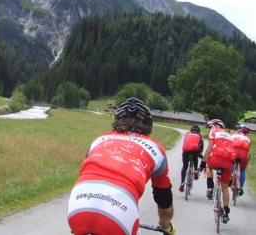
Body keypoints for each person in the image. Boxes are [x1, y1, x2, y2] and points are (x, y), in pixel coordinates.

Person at [67, 97, 175, 235]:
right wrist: (165, 226)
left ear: (116, 121)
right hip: (119, 215)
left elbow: (87, 176)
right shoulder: (156, 148)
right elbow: (164, 203)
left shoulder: (98, 140)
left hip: (78, 205)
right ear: (148, 126)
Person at [200, 118, 235, 224]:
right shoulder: (230, 136)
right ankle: (225, 212)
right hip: (228, 163)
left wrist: (203, 162)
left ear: (215, 127)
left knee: (209, 167)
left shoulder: (214, 132)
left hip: (216, 160)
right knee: (225, 188)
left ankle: (210, 187)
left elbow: (209, 149)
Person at [179, 124, 204, 192]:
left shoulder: (187, 134)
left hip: (186, 151)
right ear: (198, 131)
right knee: (195, 157)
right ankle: (195, 171)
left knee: (185, 166)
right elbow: (201, 147)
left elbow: (185, 143)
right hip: (195, 152)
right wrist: (200, 153)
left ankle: (182, 184)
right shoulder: (199, 136)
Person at [232, 124, 251, 196]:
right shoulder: (248, 139)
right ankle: (241, 187)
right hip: (243, 155)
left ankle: (230, 177)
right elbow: (248, 151)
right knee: (242, 170)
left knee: (231, 164)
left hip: (234, 154)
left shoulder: (234, 136)